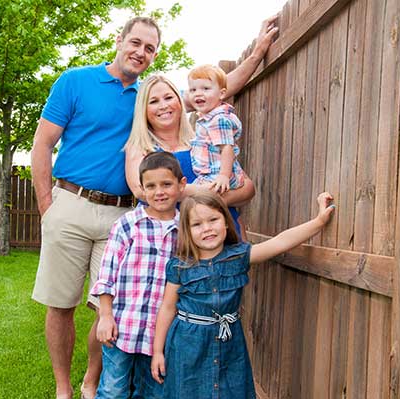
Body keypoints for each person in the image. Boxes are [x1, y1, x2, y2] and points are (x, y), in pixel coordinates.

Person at [31, 14, 279, 399]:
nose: (141, 52)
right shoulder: (81, 85)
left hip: (157, 225)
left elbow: (217, 90)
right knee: (66, 303)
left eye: (149, 48)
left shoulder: (179, 119)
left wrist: (261, 50)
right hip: (79, 205)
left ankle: (100, 381)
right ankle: (69, 389)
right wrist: (49, 207)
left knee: (124, 308)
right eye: (136, 43)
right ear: (119, 40)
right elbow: (45, 144)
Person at [150, 191, 336, 398]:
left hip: (230, 342)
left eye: (213, 219)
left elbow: (281, 242)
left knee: (232, 390)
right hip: (188, 345)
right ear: (187, 230)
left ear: (226, 223)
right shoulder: (179, 266)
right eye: (197, 224)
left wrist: (318, 222)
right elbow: (167, 308)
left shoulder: (239, 256)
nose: (207, 228)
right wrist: (158, 352)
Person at [90, 151, 185, 398]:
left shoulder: (185, 229)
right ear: (141, 190)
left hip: (160, 333)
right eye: (151, 186)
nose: (159, 192)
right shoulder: (128, 224)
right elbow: (107, 272)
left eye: (166, 184)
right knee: (113, 390)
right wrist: (106, 316)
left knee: (154, 391)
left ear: (181, 185)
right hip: (122, 327)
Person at [124, 74, 252, 239]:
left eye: (168, 98)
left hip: (219, 234)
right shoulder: (140, 148)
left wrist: (219, 199)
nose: (163, 105)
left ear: (180, 102)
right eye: (154, 101)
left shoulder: (202, 141)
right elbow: (141, 191)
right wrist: (208, 195)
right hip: (169, 236)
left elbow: (247, 187)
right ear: (144, 109)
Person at [187, 64, 245, 193]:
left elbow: (226, 148)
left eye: (206, 88)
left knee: (188, 193)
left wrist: (224, 175)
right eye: (193, 90)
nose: (198, 94)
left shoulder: (218, 119)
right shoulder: (208, 118)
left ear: (222, 93)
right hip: (210, 174)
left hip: (217, 176)